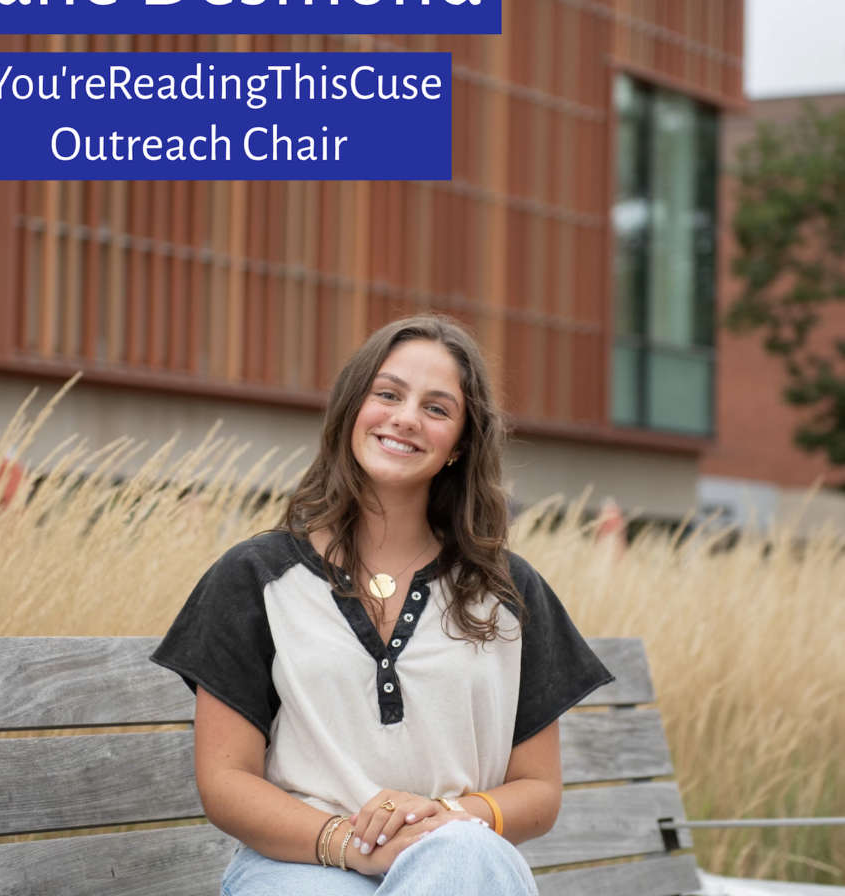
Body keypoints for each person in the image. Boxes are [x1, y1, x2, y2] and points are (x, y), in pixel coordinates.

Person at [152, 314, 613, 895]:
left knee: (464, 852)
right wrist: (351, 844)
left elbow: (539, 791)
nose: (405, 418)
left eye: (437, 408)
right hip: (302, 867)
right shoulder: (254, 578)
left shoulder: (508, 593)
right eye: (388, 394)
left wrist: (437, 817)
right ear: (352, 410)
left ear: (459, 445)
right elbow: (224, 780)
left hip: (453, 864)